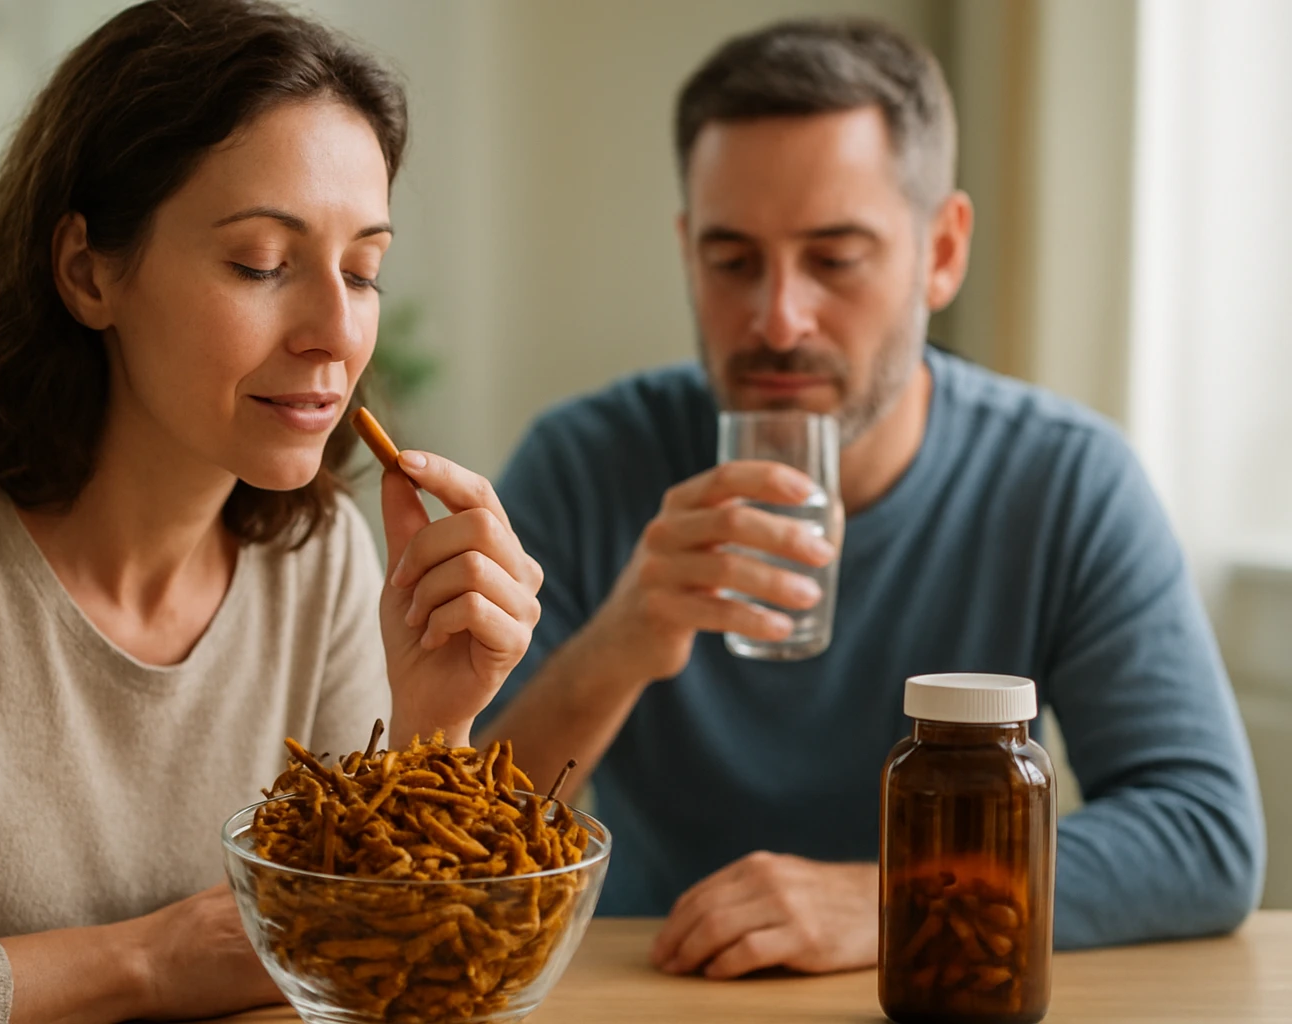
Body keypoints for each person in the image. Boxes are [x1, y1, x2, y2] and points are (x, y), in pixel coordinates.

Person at [0, 2, 542, 1022]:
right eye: (262, 262)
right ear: (89, 271)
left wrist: (436, 725)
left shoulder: (325, 561)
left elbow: (379, 960)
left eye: (364, 270)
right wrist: (150, 963)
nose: (337, 333)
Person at [477, 17, 1264, 979]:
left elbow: (1204, 836)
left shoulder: (1064, 480)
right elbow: (451, 841)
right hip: (657, 985)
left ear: (941, 250)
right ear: (687, 253)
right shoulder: (586, 462)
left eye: (835, 258)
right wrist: (616, 648)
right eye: (732, 261)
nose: (777, 318)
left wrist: (900, 894)